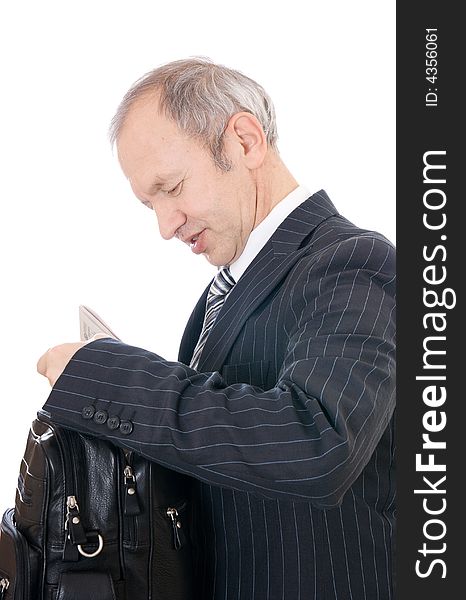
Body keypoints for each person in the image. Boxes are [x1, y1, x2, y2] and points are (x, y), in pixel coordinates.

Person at [38, 58, 396, 599]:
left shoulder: (352, 262)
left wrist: (104, 376)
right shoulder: (221, 293)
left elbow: (317, 443)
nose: (165, 225)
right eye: (149, 203)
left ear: (245, 140)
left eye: (172, 186)